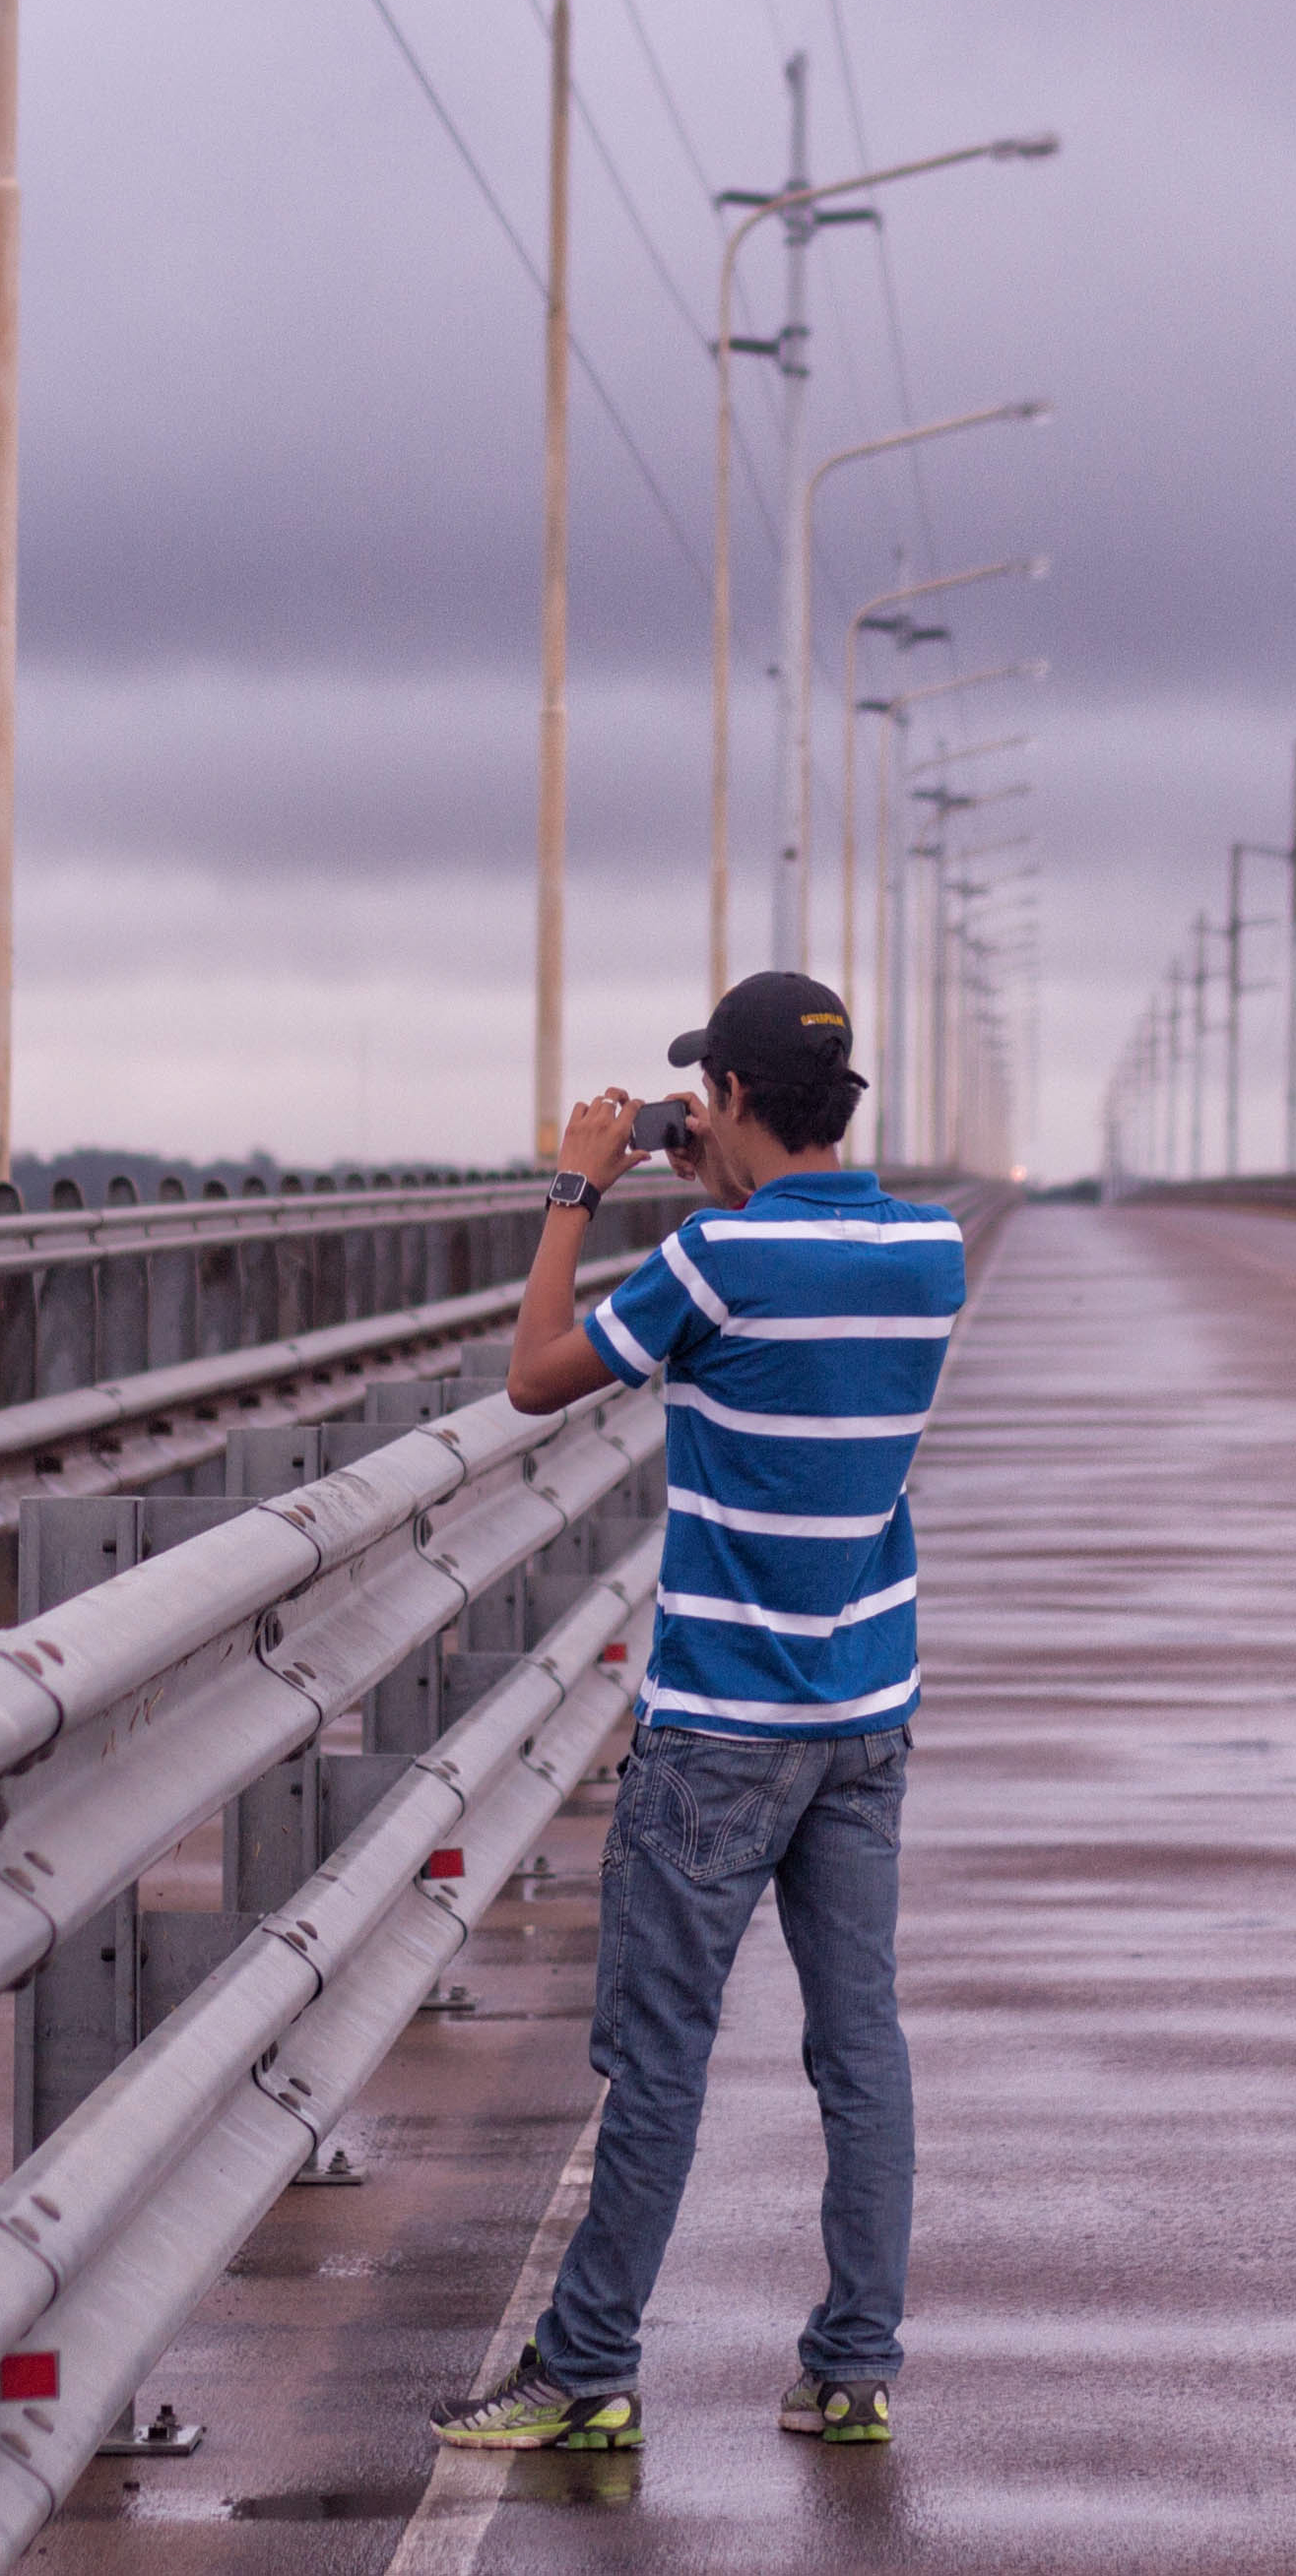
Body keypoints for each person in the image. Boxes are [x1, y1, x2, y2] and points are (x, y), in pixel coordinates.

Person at [430, 969, 968, 2457]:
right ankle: (852, 2363)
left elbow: (536, 1374)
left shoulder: (713, 1261)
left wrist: (575, 1190)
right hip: (863, 1707)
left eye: (703, 1097)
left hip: (722, 1721)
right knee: (858, 2046)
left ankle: (584, 2367)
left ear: (725, 1098)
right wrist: (714, 1187)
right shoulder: (930, 1251)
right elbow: (806, 1282)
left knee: (658, 2052)